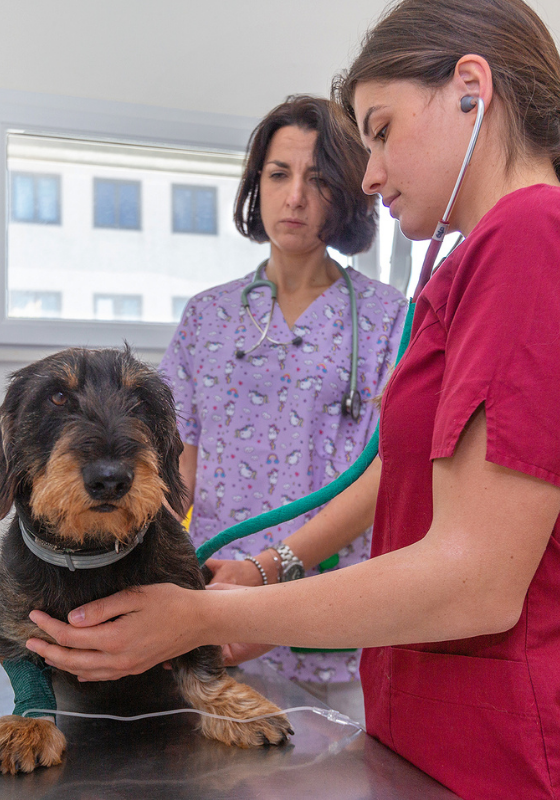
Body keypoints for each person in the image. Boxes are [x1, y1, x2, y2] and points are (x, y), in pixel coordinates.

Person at [26, 1, 560, 796]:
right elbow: (414, 479)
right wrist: (261, 575)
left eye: (380, 130)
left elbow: (476, 579)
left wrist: (204, 617)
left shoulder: (542, 237)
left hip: (525, 755)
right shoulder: (484, 263)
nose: (369, 174)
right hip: (444, 739)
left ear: (471, 89)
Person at [157, 95, 408, 721]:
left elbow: (385, 475)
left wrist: (271, 569)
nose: (295, 197)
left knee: (342, 766)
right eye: (278, 174)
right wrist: (156, 566)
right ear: (256, 185)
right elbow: (173, 465)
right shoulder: (207, 317)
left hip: (333, 613)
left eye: (317, 179)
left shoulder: (388, 320)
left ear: (346, 193)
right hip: (217, 608)